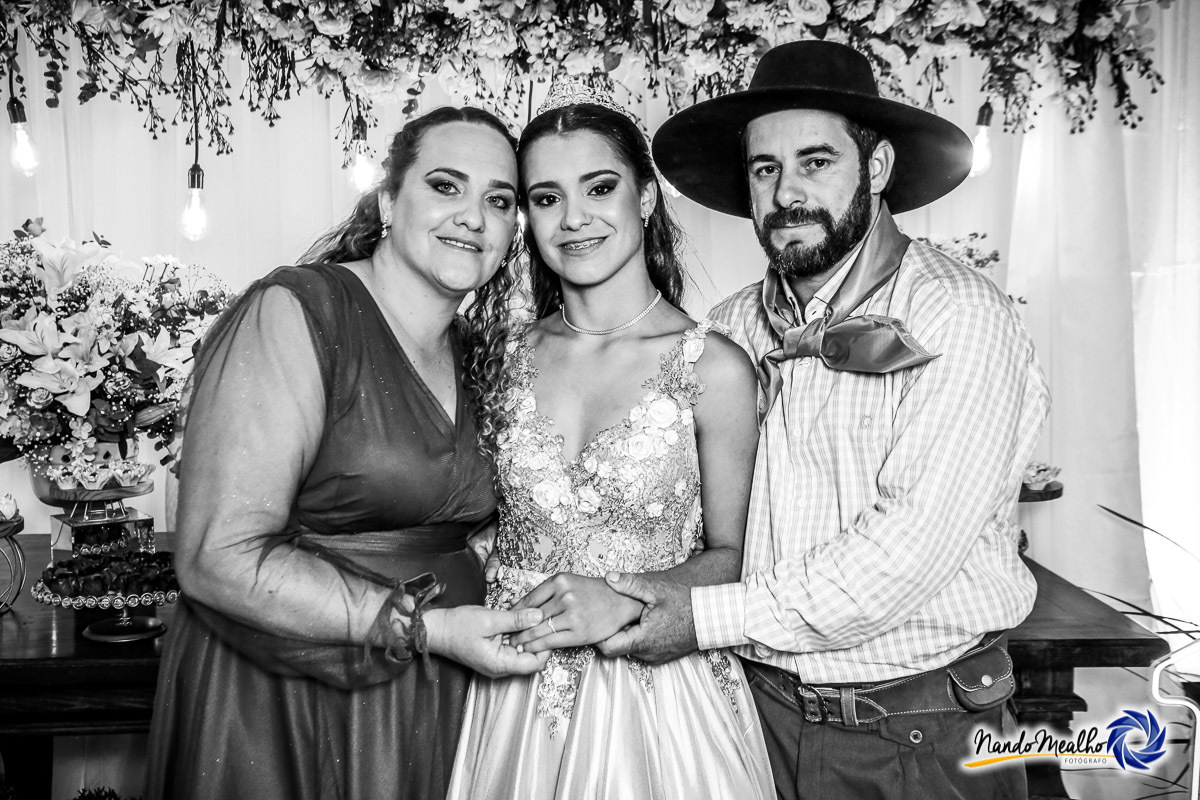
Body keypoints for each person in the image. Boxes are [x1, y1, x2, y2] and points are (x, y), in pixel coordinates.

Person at [600, 41, 1050, 799]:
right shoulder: (728, 328)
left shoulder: (961, 314)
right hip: (752, 718)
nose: (786, 193)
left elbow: (902, 557)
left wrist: (702, 618)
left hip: (919, 730)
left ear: (877, 168)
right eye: (765, 169)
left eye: (816, 161)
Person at [145, 107, 551, 800]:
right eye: (445, 186)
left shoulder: (476, 353)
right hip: (291, 692)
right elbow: (217, 555)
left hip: (440, 688)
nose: (473, 217)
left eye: (499, 200)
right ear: (389, 201)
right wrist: (427, 628)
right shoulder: (297, 310)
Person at [445, 80, 774, 799]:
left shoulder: (712, 366)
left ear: (646, 198)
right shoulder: (496, 358)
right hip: (513, 691)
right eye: (546, 197)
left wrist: (630, 596)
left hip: (661, 705)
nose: (574, 219)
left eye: (599, 188)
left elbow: (739, 557)